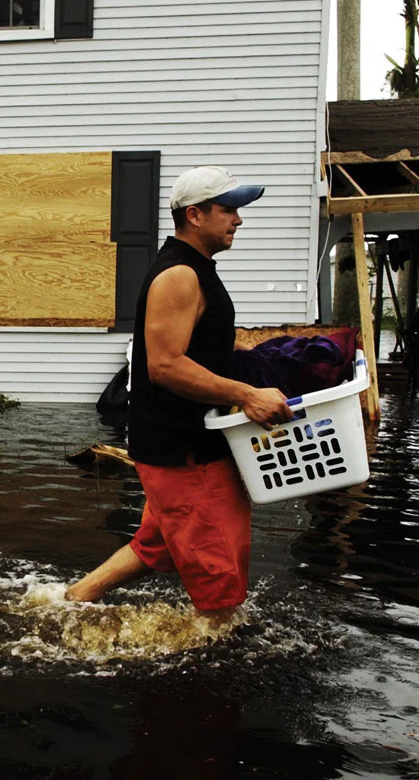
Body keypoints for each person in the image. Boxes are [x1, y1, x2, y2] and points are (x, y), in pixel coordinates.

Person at [65, 166, 295, 620]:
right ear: (195, 214)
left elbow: (192, 343)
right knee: (219, 574)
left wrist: (239, 350)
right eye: (228, 209)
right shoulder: (179, 275)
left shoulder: (197, 270)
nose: (238, 219)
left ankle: (75, 599)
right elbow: (165, 364)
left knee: (160, 545)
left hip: (186, 442)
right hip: (182, 450)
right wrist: (248, 394)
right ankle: (213, 660)